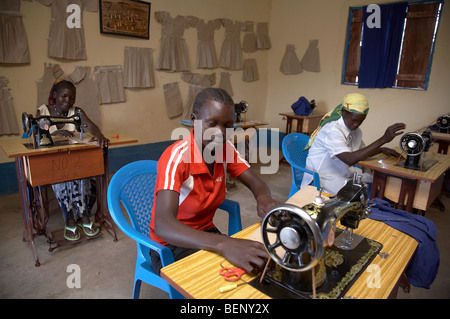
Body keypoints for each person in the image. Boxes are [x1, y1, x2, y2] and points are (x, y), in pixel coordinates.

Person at [149, 88, 279, 275]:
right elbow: (163, 224)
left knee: (258, 266)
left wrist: (264, 197)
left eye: (228, 125)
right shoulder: (177, 158)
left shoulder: (225, 150)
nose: (220, 133)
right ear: (194, 120)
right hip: (170, 244)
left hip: (205, 233)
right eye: (212, 123)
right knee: (220, 281)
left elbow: (256, 183)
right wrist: (224, 243)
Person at [37, 79, 109, 241]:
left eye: (72, 97)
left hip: (74, 159)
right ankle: (69, 218)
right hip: (53, 162)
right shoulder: (43, 111)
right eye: (63, 96)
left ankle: (83, 216)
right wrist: (55, 134)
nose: (68, 101)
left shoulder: (76, 112)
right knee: (62, 180)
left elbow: (91, 126)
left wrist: (100, 136)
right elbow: (39, 133)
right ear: (55, 95)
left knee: (82, 176)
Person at [301, 93, 406, 195]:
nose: (356, 124)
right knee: (369, 196)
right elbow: (350, 159)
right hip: (321, 180)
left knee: (378, 186)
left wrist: (382, 149)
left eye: (361, 121)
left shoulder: (356, 132)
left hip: (342, 175)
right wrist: (383, 139)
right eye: (354, 120)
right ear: (343, 112)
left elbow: (362, 153)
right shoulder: (332, 130)